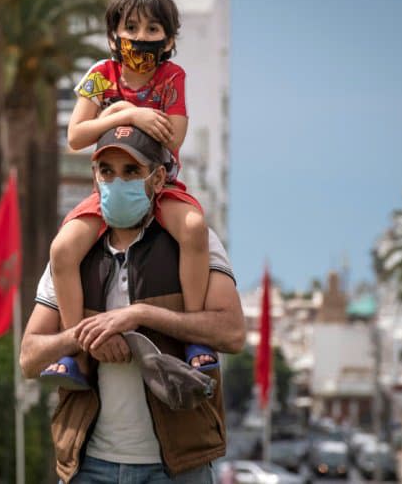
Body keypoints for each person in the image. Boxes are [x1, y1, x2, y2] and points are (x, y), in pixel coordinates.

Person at [21, 126, 245, 483]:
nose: (116, 182)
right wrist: (85, 336)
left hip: (178, 466)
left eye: (130, 171)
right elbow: (30, 356)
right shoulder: (73, 252)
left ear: (157, 179)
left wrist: (139, 315)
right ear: (94, 178)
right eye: (106, 171)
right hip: (88, 466)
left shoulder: (193, 240)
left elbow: (232, 333)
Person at [44, 0, 215, 390]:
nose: (140, 36)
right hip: (109, 186)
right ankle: (74, 349)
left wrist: (125, 113)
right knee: (63, 249)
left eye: (153, 28)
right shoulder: (100, 76)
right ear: (113, 36)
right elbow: (75, 134)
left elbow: (173, 137)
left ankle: (194, 337)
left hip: (160, 185)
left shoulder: (172, 76)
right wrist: (126, 112)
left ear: (169, 40)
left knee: (192, 229)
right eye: (131, 26)